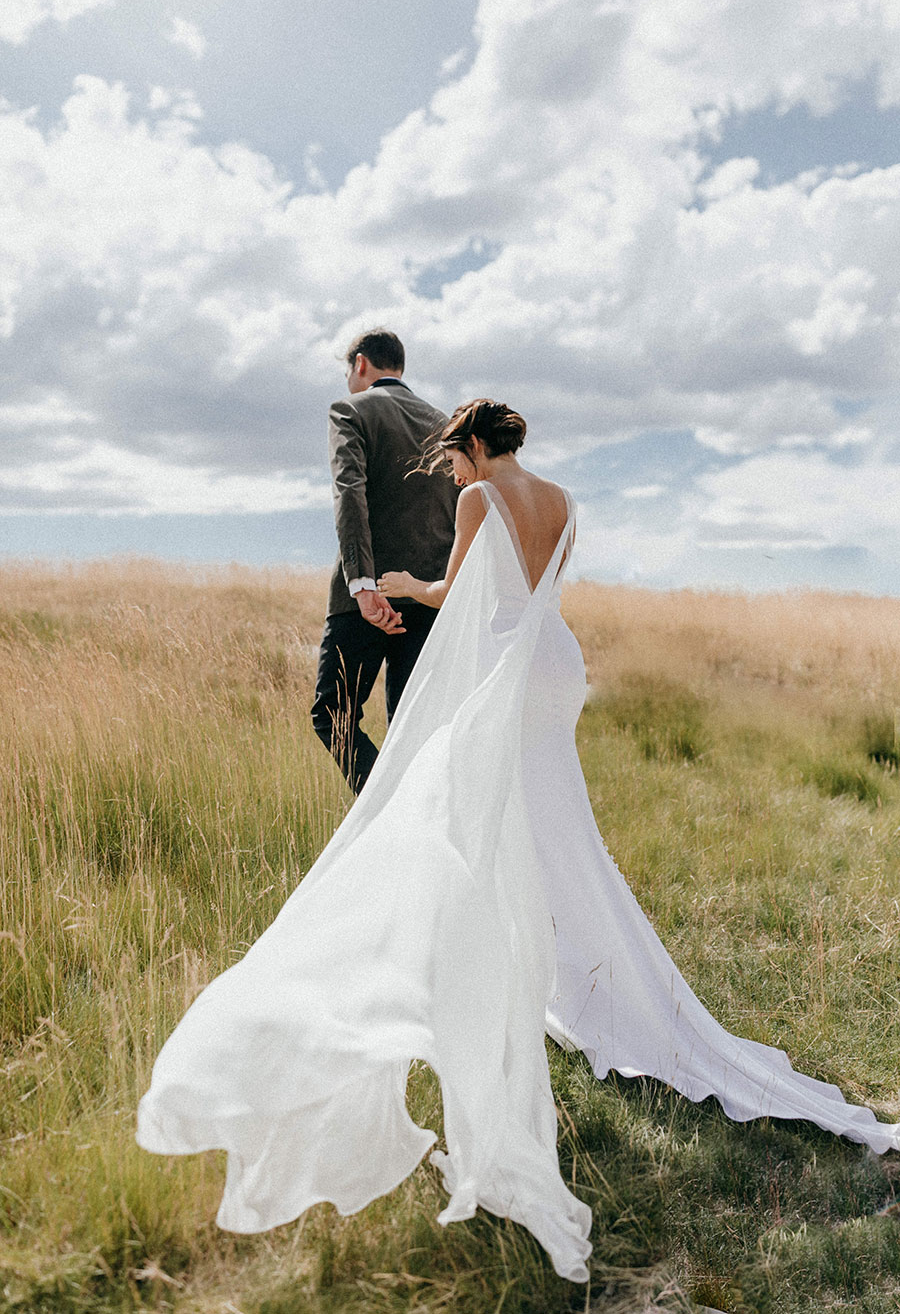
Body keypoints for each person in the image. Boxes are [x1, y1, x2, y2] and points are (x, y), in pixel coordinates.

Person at [137, 399, 899, 1285]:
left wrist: (398, 588)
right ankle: (570, 970)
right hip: (556, 664)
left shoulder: (479, 500)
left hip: (505, 666)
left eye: (452, 459)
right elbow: (541, 588)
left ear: (471, 447)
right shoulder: (566, 499)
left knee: (460, 821)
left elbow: (460, 593)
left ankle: (471, 965)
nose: (452, 475)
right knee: (556, 834)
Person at [310, 329, 458, 792]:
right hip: (432, 597)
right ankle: (409, 823)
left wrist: (363, 583)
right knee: (410, 728)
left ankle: (384, 818)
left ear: (360, 364)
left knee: (332, 715)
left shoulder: (349, 410)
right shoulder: (445, 426)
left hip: (366, 600)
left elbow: (348, 493)